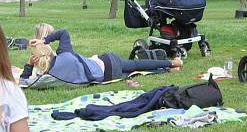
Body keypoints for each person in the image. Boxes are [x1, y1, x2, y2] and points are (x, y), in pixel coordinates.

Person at [22, 23, 182, 85]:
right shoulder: (65, 54)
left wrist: (29, 65)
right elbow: (63, 32)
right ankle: (171, 63)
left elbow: (24, 82)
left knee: (134, 71)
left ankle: (168, 69)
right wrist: (45, 40)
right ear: (50, 52)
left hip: (107, 76)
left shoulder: (48, 76)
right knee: (135, 65)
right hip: (107, 61)